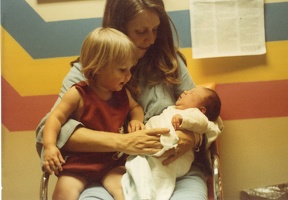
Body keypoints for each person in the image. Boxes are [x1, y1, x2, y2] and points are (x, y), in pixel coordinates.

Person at [36, 0, 223, 199]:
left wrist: (193, 137)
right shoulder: (89, 71)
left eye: (156, 29)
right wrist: (124, 142)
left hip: (173, 169)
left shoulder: (169, 62)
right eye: (141, 32)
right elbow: (49, 129)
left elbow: (205, 113)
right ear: (118, 29)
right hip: (107, 170)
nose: (151, 39)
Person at [42, 27, 145, 200]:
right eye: (122, 70)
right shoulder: (78, 94)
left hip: (112, 161)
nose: (128, 76)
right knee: (63, 193)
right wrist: (50, 146)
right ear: (98, 67)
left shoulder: (122, 93)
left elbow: (136, 108)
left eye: (130, 69)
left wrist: (136, 120)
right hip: (80, 164)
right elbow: (55, 118)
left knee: (125, 191)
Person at [122, 86, 223, 200]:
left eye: (191, 93)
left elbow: (203, 123)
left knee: (155, 173)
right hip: (153, 150)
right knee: (137, 164)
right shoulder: (173, 109)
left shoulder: (194, 113)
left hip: (174, 157)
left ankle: (147, 195)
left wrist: (184, 121)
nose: (185, 91)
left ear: (202, 110)